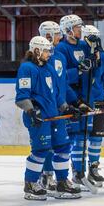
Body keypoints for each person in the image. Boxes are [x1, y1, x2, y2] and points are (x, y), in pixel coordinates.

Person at [15, 36, 81, 200]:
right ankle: (30, 184)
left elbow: (56, 94)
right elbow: (22, 96)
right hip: (39, 118)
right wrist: (31, 111)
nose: (49, 54)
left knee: (64, 147)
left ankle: (61, 182)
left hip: (55, 116)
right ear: (36, 51)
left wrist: (67, 108)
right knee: (41, 150)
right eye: (46, 51)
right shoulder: (26, 68)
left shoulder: (49, 68)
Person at [38, 21, 78, 195]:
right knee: (46, 146)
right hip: (46, 111)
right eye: (56, 34)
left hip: (60, 109)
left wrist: (75, 102)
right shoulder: (38, 60)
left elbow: (63, 84)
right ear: (47, 36)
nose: (60, 37)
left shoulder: (59, 57)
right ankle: (45, 176)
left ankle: (59, 178)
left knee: (62, 144)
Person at [56, 14, 96, 188]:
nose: (81, 30)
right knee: (73, 136)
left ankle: (80, 172)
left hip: (86, 97)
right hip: (72, 98)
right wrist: (78, 71)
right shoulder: (61, 49)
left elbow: (94, 66)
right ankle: (74, 171)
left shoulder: (83, 45)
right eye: (77, 27)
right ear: (68, 30)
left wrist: (96, 51)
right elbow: (61, 77)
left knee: (83, 137)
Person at [79, 25, 104, 187]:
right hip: (82, 103)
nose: (96, 41)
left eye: (98, 37)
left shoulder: (103, 56)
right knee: (80, 139)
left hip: (98, 103)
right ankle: (78, 172)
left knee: (96, 138)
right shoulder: (79, 55)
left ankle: (93, 169)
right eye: (92, 38)